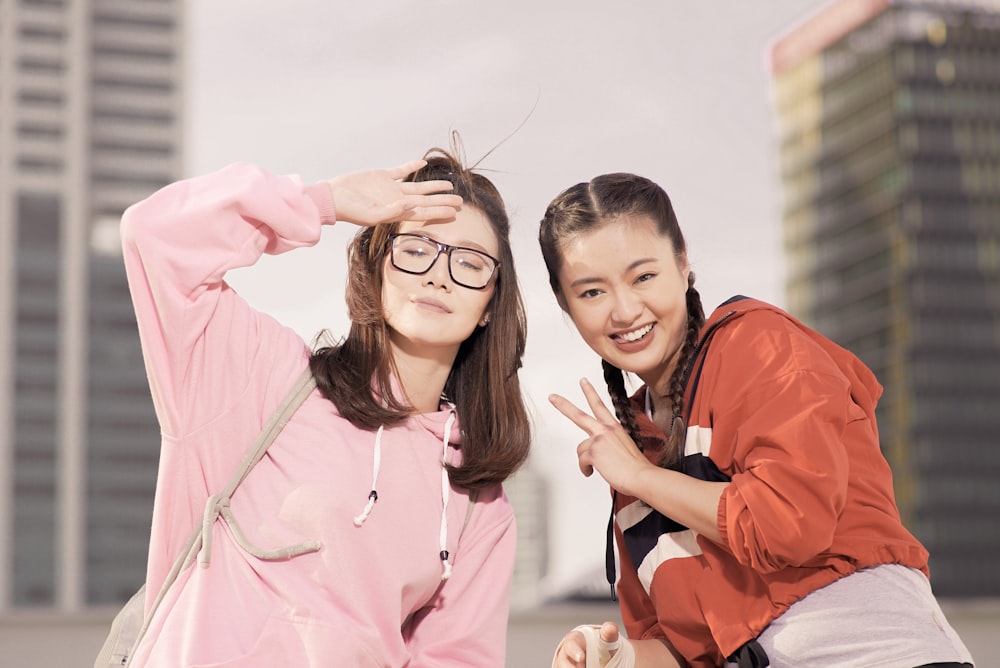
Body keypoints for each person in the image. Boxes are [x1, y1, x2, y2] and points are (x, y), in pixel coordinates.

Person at [538, 172, 974, 668]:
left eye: (644, 276)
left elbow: (786, 524)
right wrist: (611, 655)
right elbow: (689, 652)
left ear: (683, 264)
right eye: (591, 292)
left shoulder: (756, 346)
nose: (624, 309)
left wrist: (642, 477)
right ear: (565, 306)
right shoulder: (633, 448)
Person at [119, 143, 531, 666]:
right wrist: (323, 201)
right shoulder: (262, 374)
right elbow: (153, 235)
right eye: (415, 249)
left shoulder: (478, 502)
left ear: (490, 306)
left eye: (469, 262)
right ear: (376, 266)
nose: (438, 274)